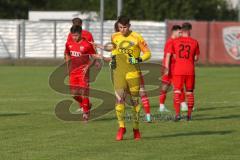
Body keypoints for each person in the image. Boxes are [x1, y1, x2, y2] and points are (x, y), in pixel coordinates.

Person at [111, 16, 151, 141]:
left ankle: (136, 128)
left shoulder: (137, 37)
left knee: (135, 102)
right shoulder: (114, 36)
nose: (122, 30)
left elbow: (148, 53)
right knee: (119, 100)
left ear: (129, 25)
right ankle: (121, 127)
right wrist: (112, 59)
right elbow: (114, 50)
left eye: (125, 27)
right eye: (120, 27)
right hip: (119, 72)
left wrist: (138, 59)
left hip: (133, 72)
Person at [64, 25, 102, 121]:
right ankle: (86, 105)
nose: (74, 38)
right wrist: (68, 65)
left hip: (83, 72)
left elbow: (93, 56)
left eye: (76, 35)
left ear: (80, 34)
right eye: (73, 35)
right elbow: (67, 53)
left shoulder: (87, 44)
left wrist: (89, 65)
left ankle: (85, 113)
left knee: (84, 92)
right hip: (73, 71)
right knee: (74, 94)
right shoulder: (69, 43)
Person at [165, 22, 200, 121]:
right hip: (190, 70)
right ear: (189, 30)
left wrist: (167, 68)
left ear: (182, 30)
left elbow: (174, 56)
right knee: (189, 93)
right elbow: (196, 58)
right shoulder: (195, 42)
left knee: (177, 92)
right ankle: (189, 116)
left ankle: (177, 115)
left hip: (178, 70)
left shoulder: (175, 41)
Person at [159, 25, 188, 112]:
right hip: (170, 69)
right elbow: (168, 56)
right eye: (179, 32)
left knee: (178, 86)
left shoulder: (175, 41)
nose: (181, 34)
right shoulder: (171, 42)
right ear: (174, 32)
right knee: (166, 87)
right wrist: (167, 69)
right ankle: (162, 106)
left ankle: (182, 105)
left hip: (174, 68)